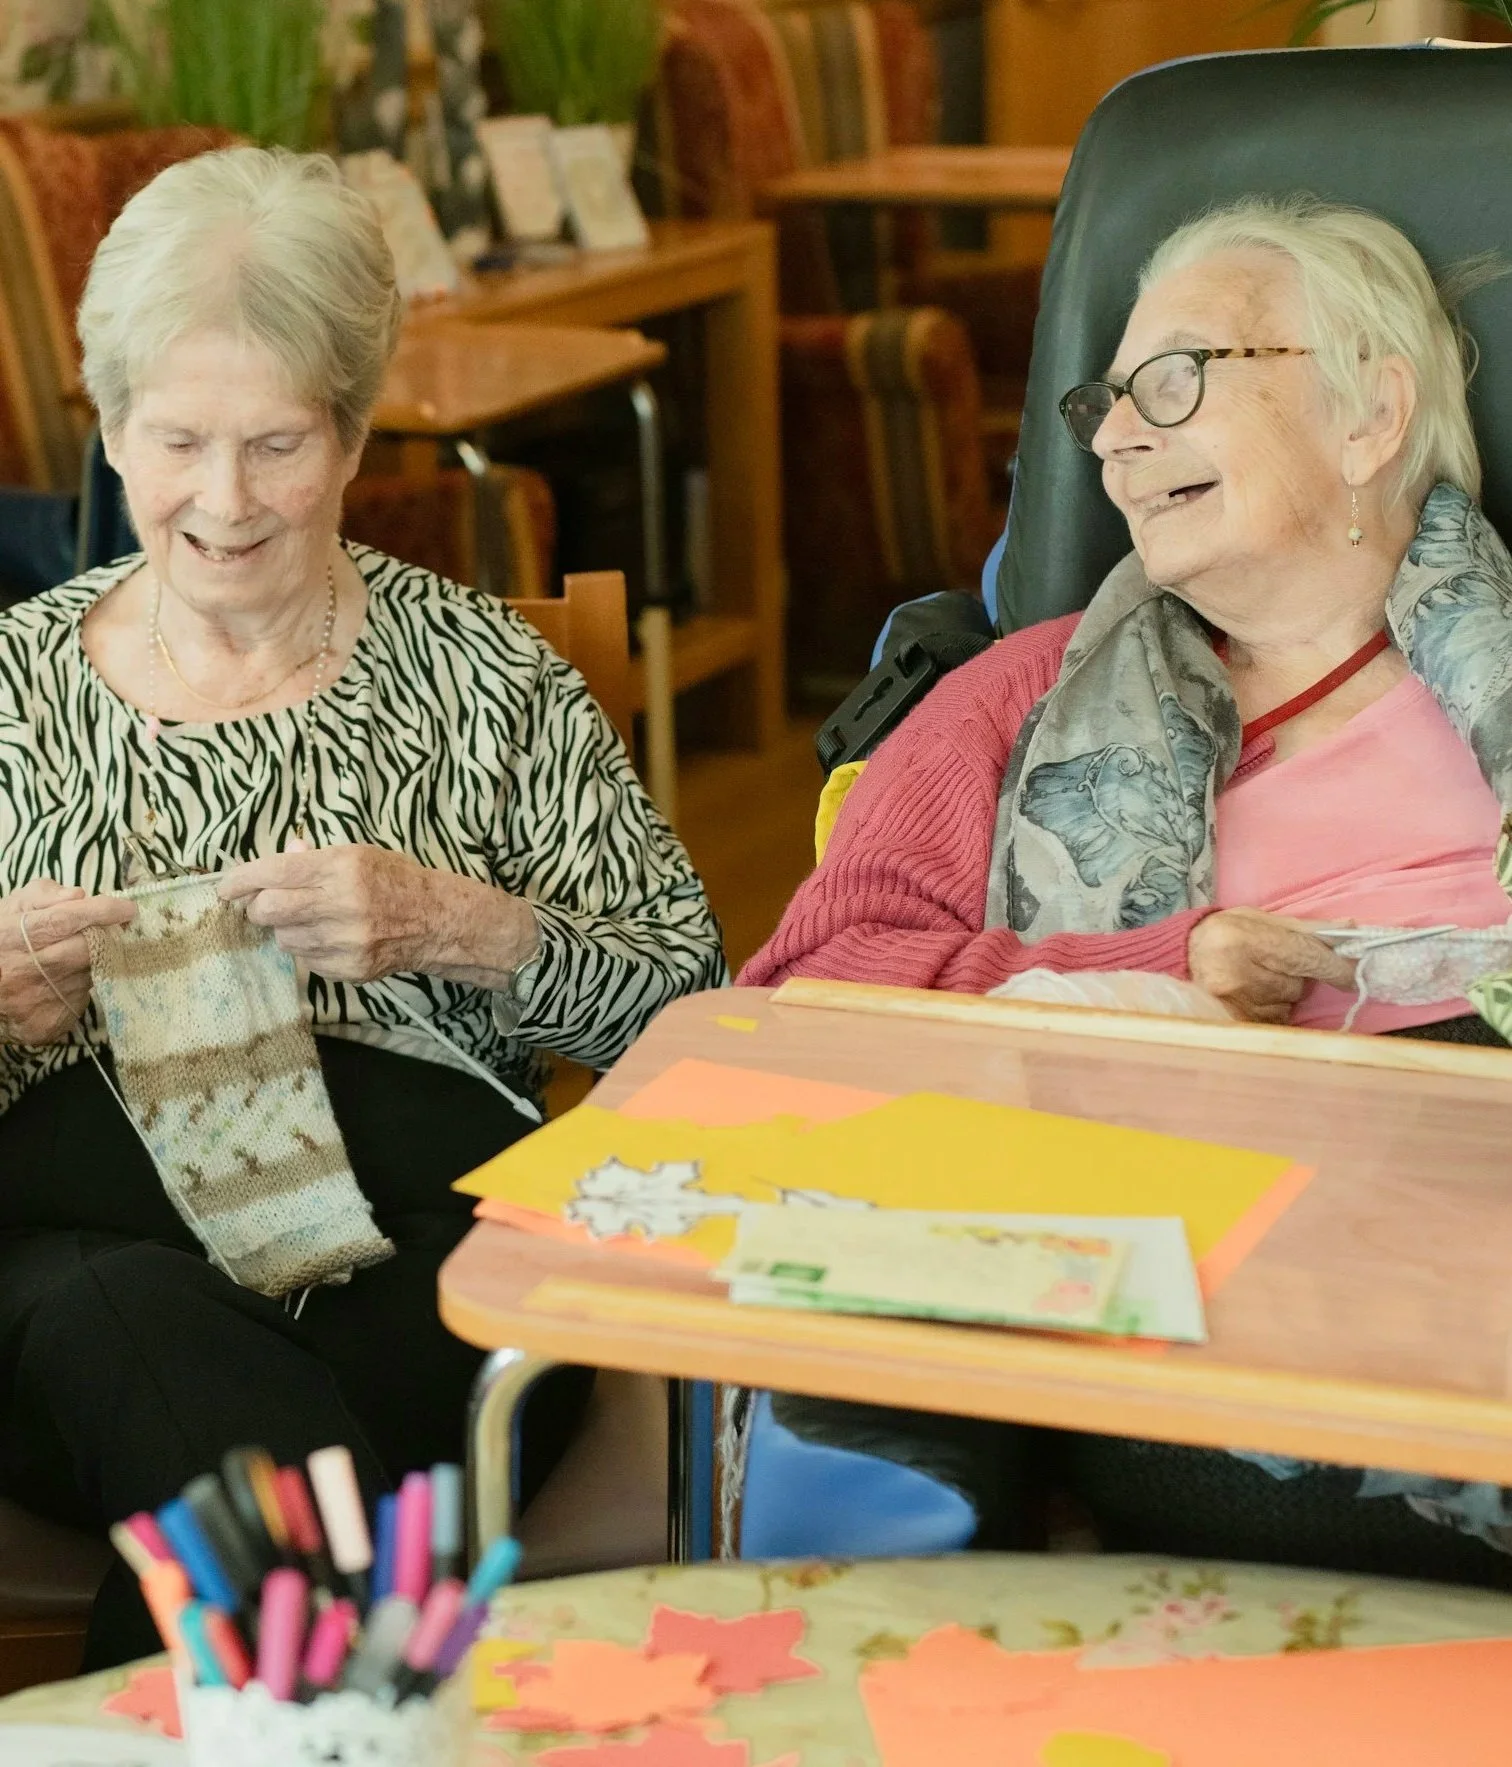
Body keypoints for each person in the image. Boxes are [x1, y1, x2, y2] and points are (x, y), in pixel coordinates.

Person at [0, 146, 725, 1666]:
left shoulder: (487, 679)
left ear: (352, 426)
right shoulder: (8, 689)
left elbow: (694, 1015)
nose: (220, 500)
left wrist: (460, 926)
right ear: (107, 423)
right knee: (108, 1316)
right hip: (61, 1261)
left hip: (413, 1265)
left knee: (191, 1414)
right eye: (174, 440)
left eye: (274, 443)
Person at [740, 195, 1512, 1581]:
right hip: (1236, 1265)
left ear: (1369, 412)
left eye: (1177, 379)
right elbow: (803, 1001)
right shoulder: (1018, 695)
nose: (1109, 437)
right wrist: (1157, 971)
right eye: (1105, 400)